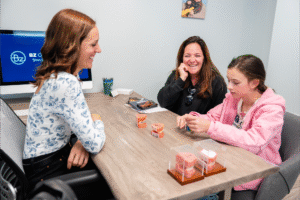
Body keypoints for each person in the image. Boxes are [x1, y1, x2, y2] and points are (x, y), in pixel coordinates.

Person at [22, 9, 112, 198]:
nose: (99, 50)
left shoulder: (55, 76)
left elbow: (78, 126)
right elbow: (95, 143)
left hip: (41, 165)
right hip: (48, 174)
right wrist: (98, 120)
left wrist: (81, 141)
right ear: (72, 46)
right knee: (113, 179)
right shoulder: (66, 83)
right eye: (93, 44)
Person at [177, 54, 286, 191]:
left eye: (235, 82)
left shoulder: (272, 110)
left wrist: (210, 127)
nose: (229, 86)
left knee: (194, 183)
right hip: (230, 159)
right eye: (229, 81)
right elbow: (213, 117)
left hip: (255, 170)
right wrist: (193, 119)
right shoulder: (234, 98)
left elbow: (254, 142)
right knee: (188, 172)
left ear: (254, 83)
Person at [157, 36, 227, 116]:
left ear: (204, 58)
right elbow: (163, 103)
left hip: (199, 128)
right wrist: (181, 80)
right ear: (182, 58)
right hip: (173, 125)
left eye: (197, 55)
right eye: (187, 56)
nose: (192, 60)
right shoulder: (176, 75)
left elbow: (219, 117)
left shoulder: (217, 82)